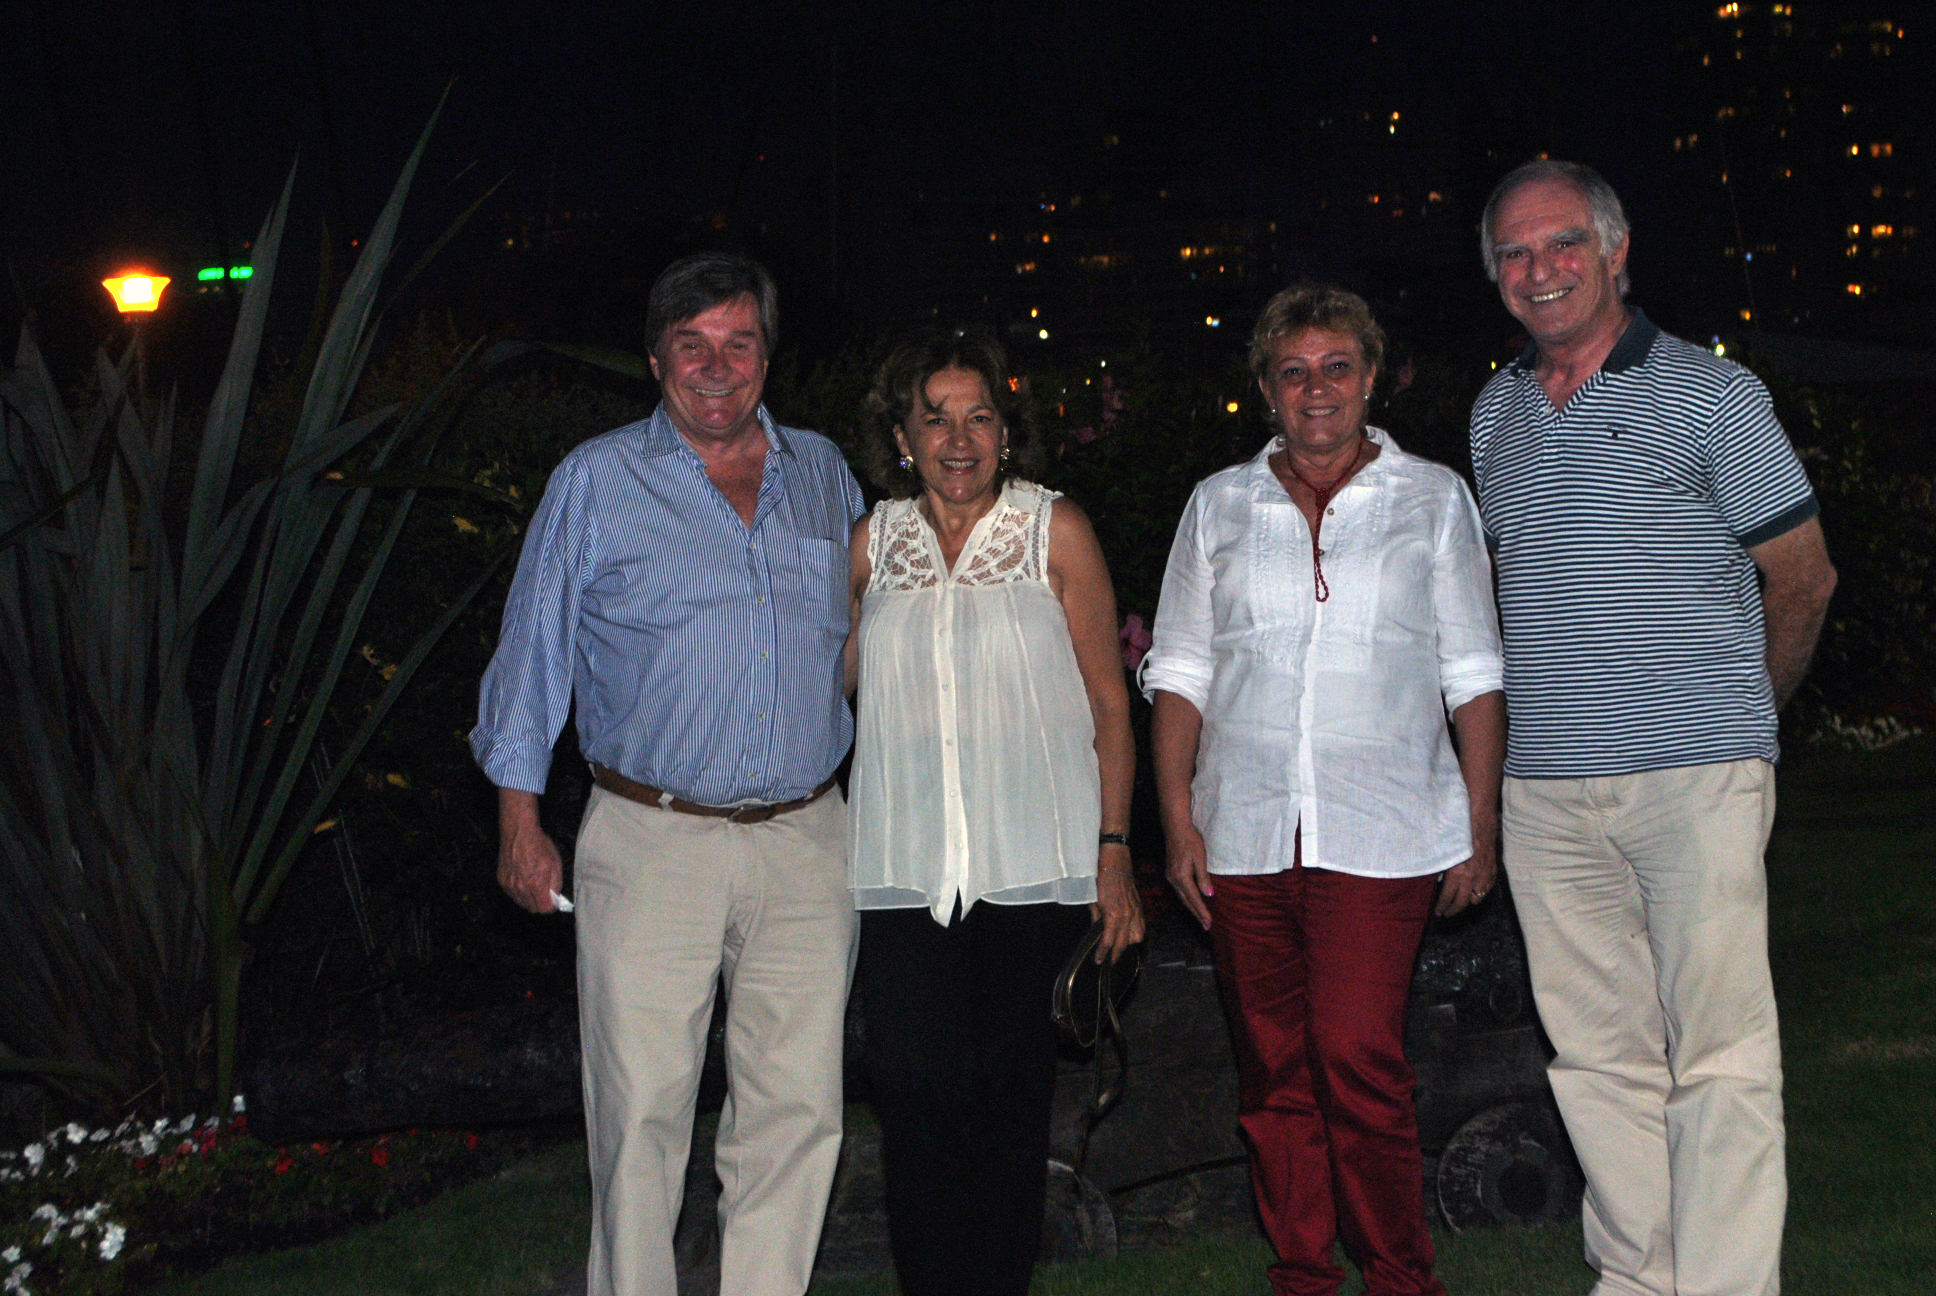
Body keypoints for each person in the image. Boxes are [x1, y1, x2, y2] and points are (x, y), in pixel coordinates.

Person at [1471, 159, 1838, 1296]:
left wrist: (1743, 725)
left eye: (1562, 243)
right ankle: (1638, 1277)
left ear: (1617, 251)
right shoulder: (1494, 414)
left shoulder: (1711, 396)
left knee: (1720, 1057)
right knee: (1595, 1060)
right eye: (1515, 254)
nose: (1540, 271)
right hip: (1546, 793)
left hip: (1696, 777)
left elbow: (1803, 577)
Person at [471, 253, 865, 1296]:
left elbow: (873, 643)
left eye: (739, 342)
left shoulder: (825, 473)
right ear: (655, 359)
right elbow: (531, 657)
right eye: (692, 345)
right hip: (652, 839)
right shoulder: (596, 482)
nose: (716, 366)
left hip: (806, 835)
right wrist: (520, 819)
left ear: (769, 355)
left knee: (796, 1109)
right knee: (641, 1109)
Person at [1144, 283, 1505, 1296]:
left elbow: (1473, 671)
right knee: (1270, 1072)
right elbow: (1178, 671)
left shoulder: (1430, 498)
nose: (1316, 391)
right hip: (1244, 832)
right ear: (1264, 387)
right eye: (1293, 371)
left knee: (1355, 1056)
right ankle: (1302, 1271)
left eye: (1336, 368)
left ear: (1371, 377)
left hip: (1383, 829)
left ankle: (1398, 1273)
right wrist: (1176, 825)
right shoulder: (1218, 505)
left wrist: (1478, 825)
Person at [844, 327, 1144, 1296]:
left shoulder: (1054, 530)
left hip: (1031, 868)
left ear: (1007, 435)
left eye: (978, 418)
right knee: (915, 1102)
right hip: (903, 876)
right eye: (935, 419)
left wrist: (1113, 855)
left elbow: (1110, 705)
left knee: (1008, 1111)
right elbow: (839, 685)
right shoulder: (871, 545)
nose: (957, 438)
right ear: (901, 436)